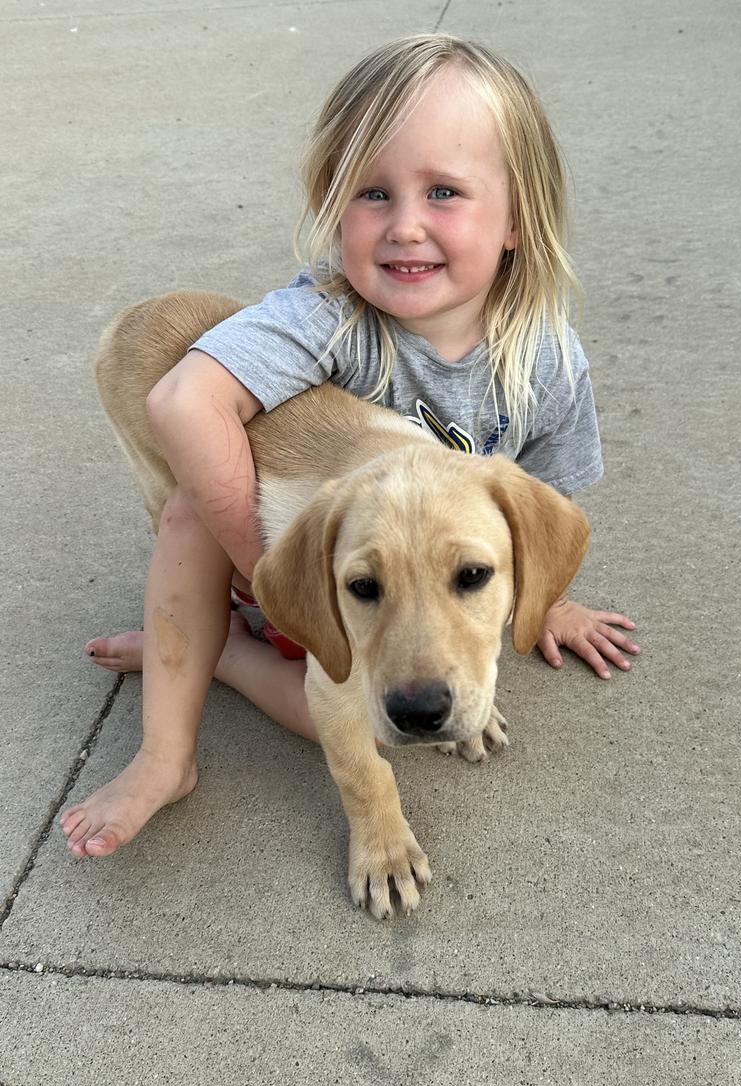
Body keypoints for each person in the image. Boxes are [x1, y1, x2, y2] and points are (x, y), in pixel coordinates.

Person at [61, 34, 639, 860]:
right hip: (293, 534)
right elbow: (180, 399)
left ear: (517, 219)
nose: (407, 227)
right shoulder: (326, 320)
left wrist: (550, 600)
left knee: (402, 696)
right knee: (318, 685)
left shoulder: (546, 362)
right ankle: (175, 730)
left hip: (369, 527)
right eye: (373, 194)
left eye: (444, 191)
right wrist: (274, 578)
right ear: (336, 217)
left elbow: (547, 502)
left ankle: (209, 649)